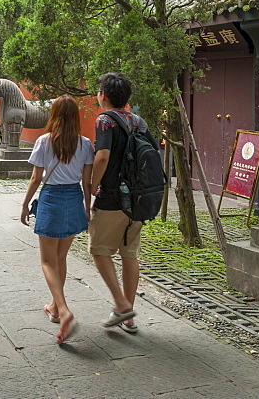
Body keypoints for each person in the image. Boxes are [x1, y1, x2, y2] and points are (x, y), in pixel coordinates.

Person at [19, 96, 94, 345]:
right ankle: (53, 305)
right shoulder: (85, 144)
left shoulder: (43, 141)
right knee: (61, 258)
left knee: (47, 261)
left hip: (51, 197)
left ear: (53, 115)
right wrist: (87, 208)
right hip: (73, 198)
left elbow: (35, 178)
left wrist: (25, 204)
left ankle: (63, 311)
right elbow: (87, 182)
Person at [88, 72, 145, 335]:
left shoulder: (105, 121)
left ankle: (122, 305)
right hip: (138, 198)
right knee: (129, 253)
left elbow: (102, 157)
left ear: (104, 95)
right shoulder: (137, 120)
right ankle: (129, 315)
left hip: (111, 197)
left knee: (99, 250)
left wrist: (91, 187)